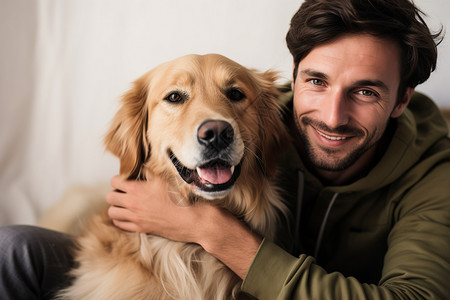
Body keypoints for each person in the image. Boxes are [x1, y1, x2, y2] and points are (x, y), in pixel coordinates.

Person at [0, 0, 449, 299]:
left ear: (402, 99)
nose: (332, 116)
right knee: (13, 247)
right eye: (317, 81)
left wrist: (206, 229)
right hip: (141, 255)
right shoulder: (271, 113)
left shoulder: (436, 177)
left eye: (366, 91)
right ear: (294, 76)